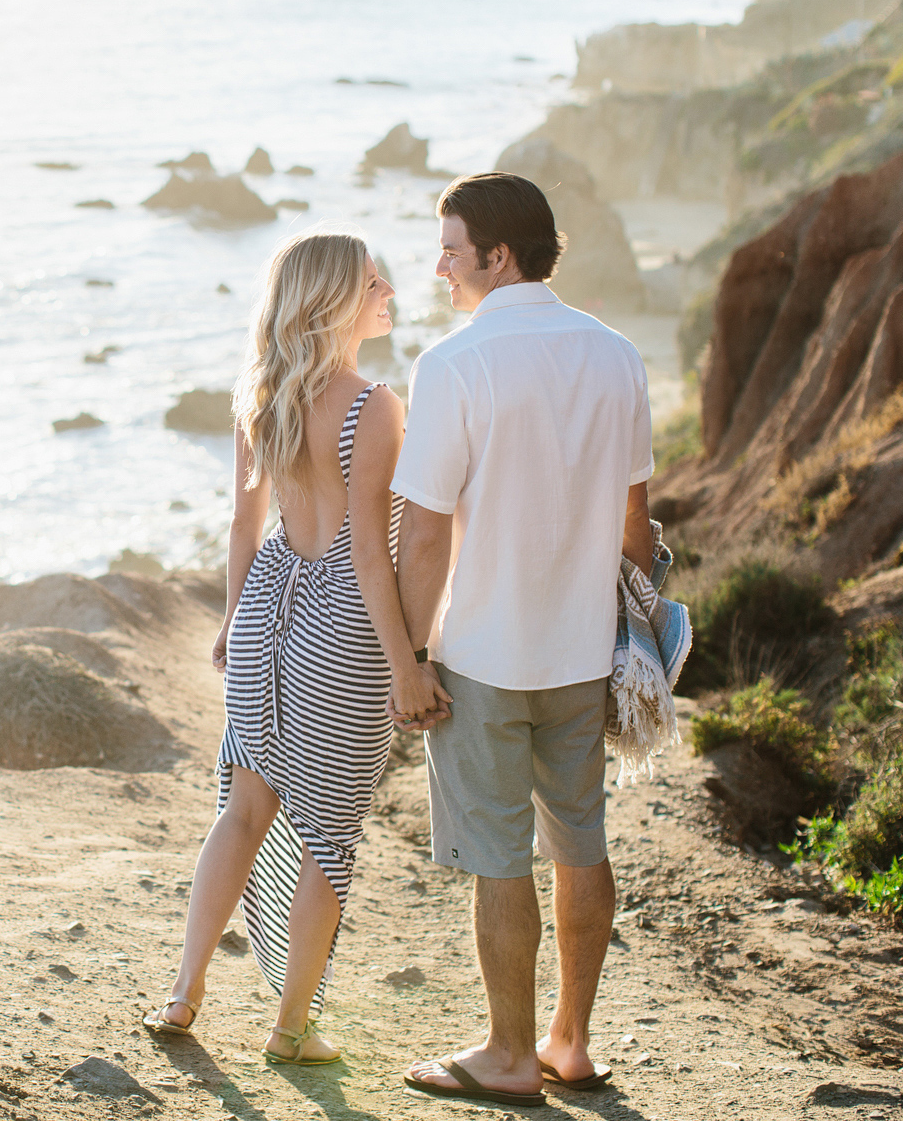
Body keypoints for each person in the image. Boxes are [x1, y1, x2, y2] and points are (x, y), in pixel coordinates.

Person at [390, 172, 656, 1108]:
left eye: (452, 250)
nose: (440, 268)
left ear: (498, 255)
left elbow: (422, 535)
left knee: (500, 855)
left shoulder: (455, 366)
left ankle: (507, 1053)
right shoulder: (618, 354)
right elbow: (637, 528)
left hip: (484, 656)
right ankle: (569, 1042)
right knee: (580, 842)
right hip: (583, 652)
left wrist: (411, 656)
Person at [142, 226, 423, 1066]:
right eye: (375, 284)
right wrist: (407, 663)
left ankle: (184, 991)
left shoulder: (259, 393)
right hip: (341, 623)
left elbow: (243, 522)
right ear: (338, 299)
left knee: (243, 809)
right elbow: (371, 553)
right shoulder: (374, 407)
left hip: (268, 602)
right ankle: (291, 1028)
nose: (389, 296)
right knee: (327, 837)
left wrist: (233, 617)